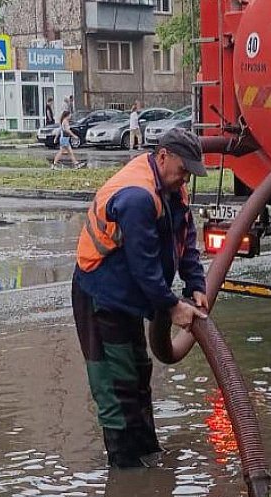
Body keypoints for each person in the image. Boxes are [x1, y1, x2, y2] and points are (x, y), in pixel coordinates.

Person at [72, 128, 209, 468]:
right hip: (100, 295)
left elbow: (185, 240)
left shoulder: (174, 188)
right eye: (183, 169)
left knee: (139, 373)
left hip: (129, 296)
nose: (185, 178)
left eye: (191, 172)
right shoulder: (136, 195)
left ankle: (149, 456)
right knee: (117, 387)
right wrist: (171, 305)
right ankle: (126, 473)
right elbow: (143, 263)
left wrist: (196, 284)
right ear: (163, 156)